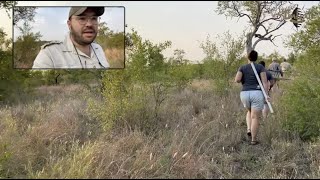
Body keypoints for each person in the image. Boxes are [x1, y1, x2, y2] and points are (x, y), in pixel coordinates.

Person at [32, 7, 110, 69]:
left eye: (94, 18)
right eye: (82, 18)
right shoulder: (49, 54)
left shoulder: (98, 48)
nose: (89, 24)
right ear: (69, 24)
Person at [235, 50, 269, 145]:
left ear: (248, 57)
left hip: (245, 93)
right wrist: (266, 95)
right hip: (257, 93)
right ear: (256, 58)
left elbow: (237, 79)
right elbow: (264, 82)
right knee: (255, 117)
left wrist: (245, 79)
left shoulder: (242, 67)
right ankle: (253, 140)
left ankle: (249, 129)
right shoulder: (260, 67)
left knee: (249, 112)